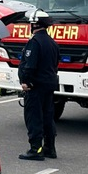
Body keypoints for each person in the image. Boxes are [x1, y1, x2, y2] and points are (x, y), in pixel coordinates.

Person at [18, 9, 60, 161]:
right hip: (49, 85)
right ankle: (50, 148)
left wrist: (25, 81)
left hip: (35, 86)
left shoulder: (34, 42)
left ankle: (36, 149)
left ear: (35, 24)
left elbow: (29, 65)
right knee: (48, 117)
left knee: (34, 117)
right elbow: (55, 65)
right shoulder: (52, 43)